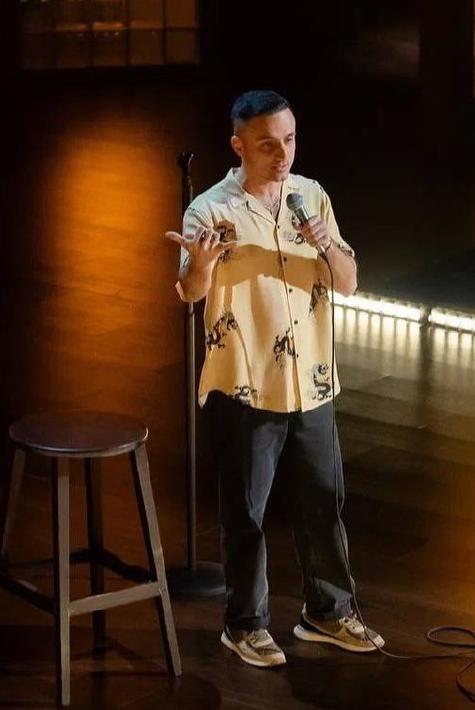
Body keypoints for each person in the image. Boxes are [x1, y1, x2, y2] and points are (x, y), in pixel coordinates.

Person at [165, 89, 384, 668]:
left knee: (323, 502)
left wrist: (325, 244)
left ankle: (328, 613)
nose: (282, 154)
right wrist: (201, 264)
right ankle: (244, 625)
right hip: (246, 381)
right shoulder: (211, 210)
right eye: (267, 144)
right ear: (238, 146)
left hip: (312, 379)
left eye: (289, 140)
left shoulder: (311, 196)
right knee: (247, 513)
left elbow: (348, 282)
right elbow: (189, 291)